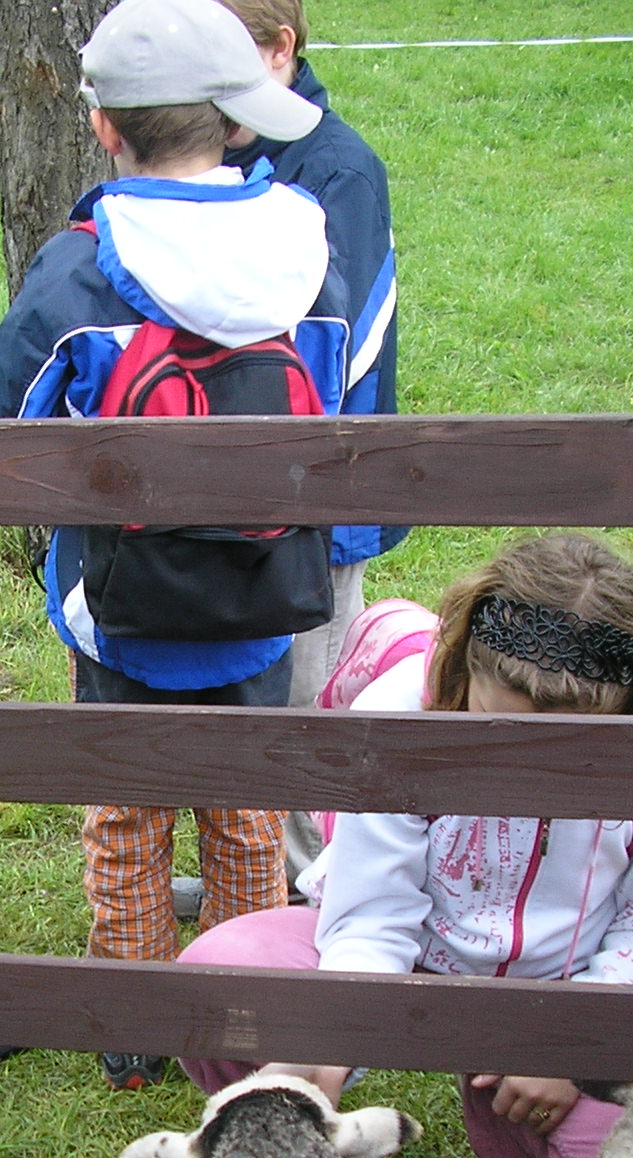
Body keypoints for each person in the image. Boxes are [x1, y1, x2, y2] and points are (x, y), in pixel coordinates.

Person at [0, 0, 352, 1091]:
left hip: (121, 607)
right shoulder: (304, 250)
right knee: (246, 810)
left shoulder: (77, 273)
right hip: (266, 593)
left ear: (103, 126)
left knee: (126, 811)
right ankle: (241, 1005)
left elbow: (10, 434)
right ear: (238, 119)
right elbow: (332, 406)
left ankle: (136, 1023)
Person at [173, 533, 633, 1158]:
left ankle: (526, 1155)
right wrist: (331, 1040)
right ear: (466, 666)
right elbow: (374, 914)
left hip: (564, 989)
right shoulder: (399, 718)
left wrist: (569, 1045)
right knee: (221, 986)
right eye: (500, 726)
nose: (529, 764)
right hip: (415, 962)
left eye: (573, 739)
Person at [214, 0, 405, 884]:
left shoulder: (338, 170)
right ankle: (252, 879)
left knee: (306, 699)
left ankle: (311, 893)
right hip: (237, 488)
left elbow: (341, 342)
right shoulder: (222, 148)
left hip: (321, 493)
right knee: (249, 691)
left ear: (279, 49)